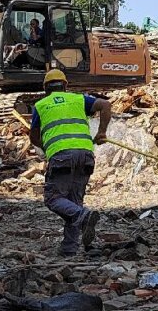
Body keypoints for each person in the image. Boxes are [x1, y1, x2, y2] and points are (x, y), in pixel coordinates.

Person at [29, 70, 111, 256]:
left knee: (53, 199)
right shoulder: (78, 99)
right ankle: (69, 249)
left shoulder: (41, 105)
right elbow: (105, 105)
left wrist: (48, 148)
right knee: (73, 203)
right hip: (85, 154)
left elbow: (33, 136)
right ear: (65, 85)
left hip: (61, 156)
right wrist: (102, 132)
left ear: (45, 88)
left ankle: (83, 216)